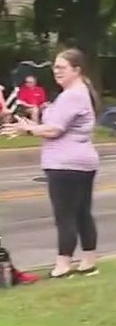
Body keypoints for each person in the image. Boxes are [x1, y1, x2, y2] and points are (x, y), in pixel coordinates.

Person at [1, 49, 101, 278]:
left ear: (77, 70)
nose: (56, 71)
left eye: (62, 67)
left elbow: (55, 129)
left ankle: (63, 265)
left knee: (65, 215)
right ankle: (88, 262)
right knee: (82, 213)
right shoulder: (79, 92)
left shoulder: (72, 95)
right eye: (55, 67)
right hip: (82, 161)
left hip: (66, 164)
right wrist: (35, 122)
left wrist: (28, 128)